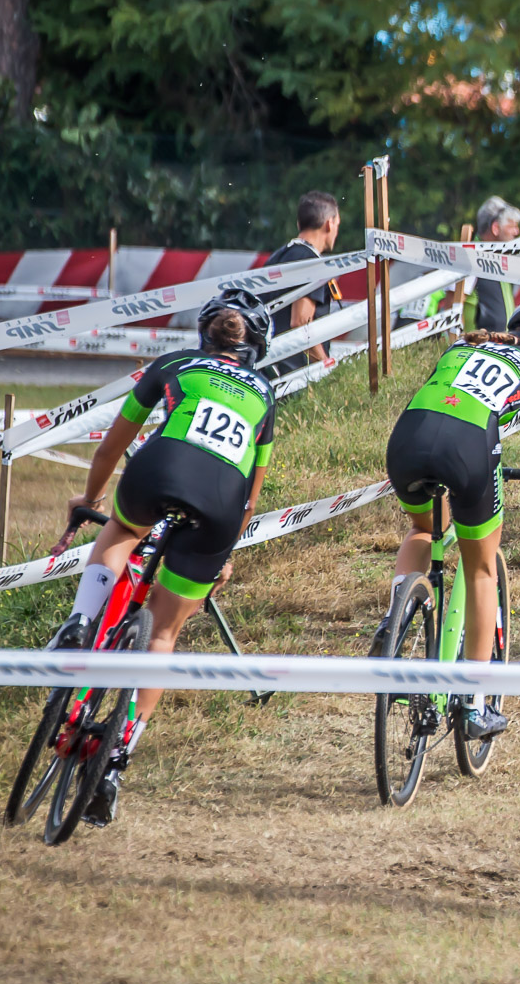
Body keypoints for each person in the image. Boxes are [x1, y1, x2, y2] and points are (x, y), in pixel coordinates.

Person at [49, 290, 278, 827]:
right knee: (163, 635)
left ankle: (82, 621)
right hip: (221, 505)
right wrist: (222, 554)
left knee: (124, 529)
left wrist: (90, 501)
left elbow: (110, 448)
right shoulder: (265, 393)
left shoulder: (173, 365)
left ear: (206, 333)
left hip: (158, 472)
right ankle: (116, 761)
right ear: (256, 347)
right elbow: (250, 495)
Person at [377, 305, 520, 736]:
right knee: (482, 569)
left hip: (407, 440)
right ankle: (474, 703)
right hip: (467, 451)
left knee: (425, 529)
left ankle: (395, 623)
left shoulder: (463, 345)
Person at [262, 191, 343, 376]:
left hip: (270, 369)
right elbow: (300, 322)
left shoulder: (277, 257)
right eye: (337, 224)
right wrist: (325, 367)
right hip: (295, 376)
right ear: (329, 224)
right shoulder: (311, 262)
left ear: (299, 223)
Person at [458, 196, 520, 333]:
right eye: (512, 226)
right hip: (475, 346)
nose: (516, 232)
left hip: (498, 345)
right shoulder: (471, 257)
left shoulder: (500, 258)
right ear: (495, 228)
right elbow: (453, 302)